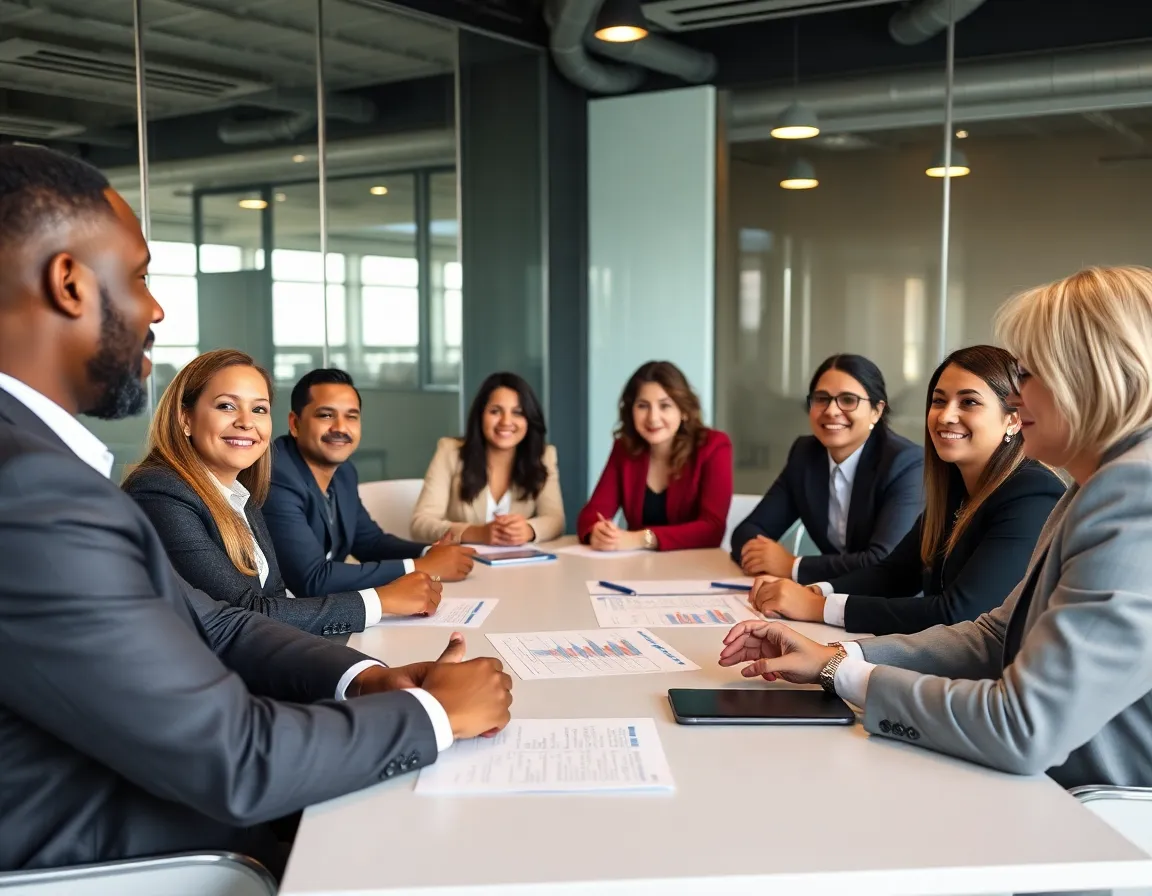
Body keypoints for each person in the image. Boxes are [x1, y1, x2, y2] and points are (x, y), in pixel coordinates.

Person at [0, 144, 512, 876]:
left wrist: (366, 679)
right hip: (158, 861)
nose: (156, 308)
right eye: (139, 275)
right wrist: (435, 715)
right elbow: (233, 759)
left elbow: (215, 621)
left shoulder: (45, 469)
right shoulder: (31, 491)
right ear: (70, 283)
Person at [720, 265, 1152, 788]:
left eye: (1030, 375)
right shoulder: (1090, 487)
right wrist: (837, 656)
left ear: (1095, 375)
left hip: (1094, 807)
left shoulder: (1134, 494)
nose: (1017, 397)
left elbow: (1022, 727)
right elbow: (995, 634)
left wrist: (845, 672)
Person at [746, 345, 1065, 636]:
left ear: (1013, 419)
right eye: (939, 401)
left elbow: (959, 614)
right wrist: (816, 591)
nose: (946, 416)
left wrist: (819, 608)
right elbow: (894, 574)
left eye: (969, 402)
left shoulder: (1032, 493)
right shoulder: (957, 487)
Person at [124, 350, 443, 636]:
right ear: (185, 419)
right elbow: (246, 613)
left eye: (259, 409)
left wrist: (361, 671)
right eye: (226, 406)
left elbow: (273, 596)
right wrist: (380, 601)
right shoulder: (161, 493)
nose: (246, 422)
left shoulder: (240, 492)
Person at [264, 368, 476, 598]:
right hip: (276, 612)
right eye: (325, 415)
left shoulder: (344, 473)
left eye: (351, 416)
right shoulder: (277, 476)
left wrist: (430, 553)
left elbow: (370, 543)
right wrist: (421, 566)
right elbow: (313, 579)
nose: (340, 427)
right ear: (295, 424)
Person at [729, 354, 923, 581]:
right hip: (828, 594)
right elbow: (749, 530)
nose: (831, 410)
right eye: (821, 399)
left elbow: (883, 562)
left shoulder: (905, 464)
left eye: (848, 400)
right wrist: (763, 557)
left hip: (891, 599)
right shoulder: (806, 455)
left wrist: (792, 565)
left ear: (877, 411)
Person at [577, 361, 732, 552]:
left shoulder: (714, 446)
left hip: (695, 564)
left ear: (683, 411)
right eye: (643, 406)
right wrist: (598, 531)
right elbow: (591, 515)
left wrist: (642, 538)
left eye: (665, 406)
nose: (653, 418)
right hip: (639, 565)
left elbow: (712, 529)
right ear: (631, 411)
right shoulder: (625, 449)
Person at [411, 371, 565, 544]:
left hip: (518, 559)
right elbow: (420, 524)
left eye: (518, 412)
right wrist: (476, 533)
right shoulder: (450, 451)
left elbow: (555, 519)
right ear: (480, 416)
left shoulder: (544, 456)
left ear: (529, 419)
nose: (506, 422)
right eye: (495, 411)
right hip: (462, 558)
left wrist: (529, 530)